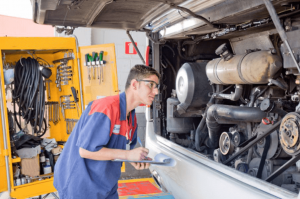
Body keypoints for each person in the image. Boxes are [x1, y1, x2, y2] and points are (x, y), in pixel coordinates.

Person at [53, 64, 160, 199]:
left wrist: (134, 159)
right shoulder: (106, 108)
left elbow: (122, 152)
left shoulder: (131, 119)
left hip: (106, 186)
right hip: (80, 185)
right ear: (134, 84)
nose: (156, 92)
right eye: (151, 85)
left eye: (157, 87)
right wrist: (128, 155)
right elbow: (85, 151)